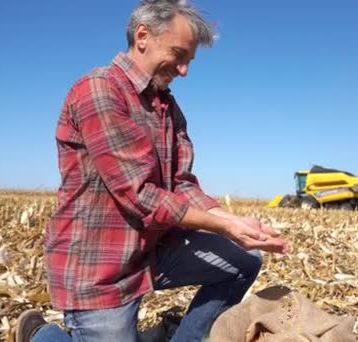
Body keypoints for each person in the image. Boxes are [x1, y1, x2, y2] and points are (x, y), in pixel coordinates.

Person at [15, 1, 289, 341]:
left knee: (245, 260)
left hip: (153, 249)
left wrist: (232, 222)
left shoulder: (168, 107)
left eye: (190, 59)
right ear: (142, 36)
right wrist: (223, 226)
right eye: (179, 54)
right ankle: (41, 333)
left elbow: (181, 183)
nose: (185, 69)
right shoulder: (100, 90)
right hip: (100, 265)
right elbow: (139, 194)